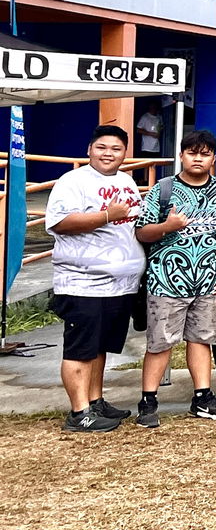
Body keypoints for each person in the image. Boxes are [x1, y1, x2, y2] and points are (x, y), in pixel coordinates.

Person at [133, 129, 216, 427]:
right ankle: (148, 401)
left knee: (202, 340)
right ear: (181, 155)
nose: (198, 158)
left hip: (208, 282)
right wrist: (168, 226)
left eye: (204, 154)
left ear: (213, 159)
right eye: (192, 152)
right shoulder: (163, 189)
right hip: (166, 282)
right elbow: (142, 231)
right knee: (159, 343)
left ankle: (203, 398)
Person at [46, 125, 144, 432]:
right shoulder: (72, 181)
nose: (108, 154)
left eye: (116, 149)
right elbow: (60, 222)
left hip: (120, 286)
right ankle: (79, 412)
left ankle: (95, 400)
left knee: (100, 347)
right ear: (90, 149)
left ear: (125, 153)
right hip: (82, 283)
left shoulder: (127, 181)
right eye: (102, 147)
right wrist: (105, 216)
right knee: (80, 348)